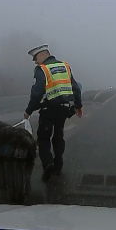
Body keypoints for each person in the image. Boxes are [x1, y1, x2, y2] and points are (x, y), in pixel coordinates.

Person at [23, 44, 83, 182]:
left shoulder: (42, 69)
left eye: (36, 57)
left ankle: (48, 164)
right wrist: (78, 105)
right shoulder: (65, 66)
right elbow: (76, 88)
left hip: (48, 110)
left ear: (44, 54)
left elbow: (37, 93)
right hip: (63, 109)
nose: (35, 61)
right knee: (58, 136)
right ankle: (58, 164)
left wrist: (28, 111)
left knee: (43, 138)